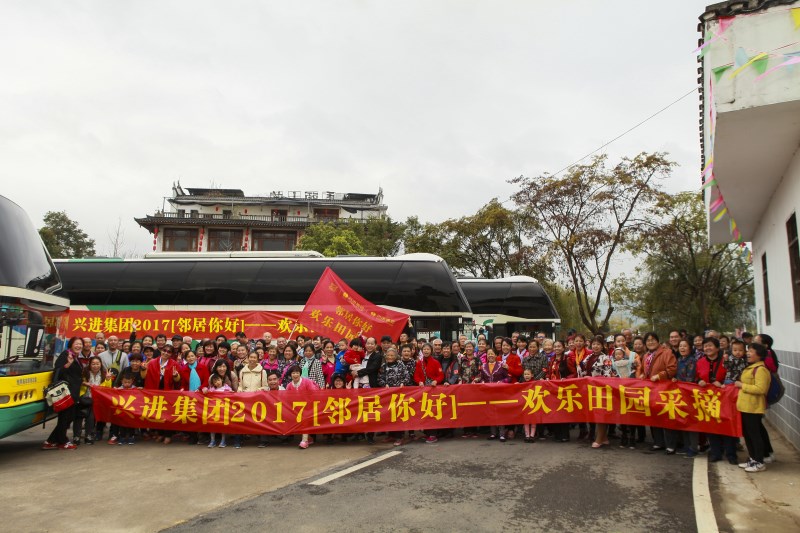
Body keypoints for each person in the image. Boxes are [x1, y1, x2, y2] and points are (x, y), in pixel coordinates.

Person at [637, 332, 677, 452]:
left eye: (653, 340)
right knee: (654, 415)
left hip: (665, 389)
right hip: (651, 390)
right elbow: (644, 370)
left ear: (658, 341)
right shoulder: (646, 355)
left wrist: (660, 376)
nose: (650, 342)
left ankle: (671, 445)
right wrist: (643, 375)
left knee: (666, 416)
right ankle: (658, 442)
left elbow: (672, 369)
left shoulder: (667, 352)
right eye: (648, 340)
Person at [735, 343, 771, 472]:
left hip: (753, 407)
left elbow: (761, 389)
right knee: (747, 434)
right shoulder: (751, 367)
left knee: (755, 435)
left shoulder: (761, 369)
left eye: (751, 351)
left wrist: (742, 385)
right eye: (748, 351)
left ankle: (759, 461)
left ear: (759, 354)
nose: (748, 353)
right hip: (745, 406)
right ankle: (752, 458)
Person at [43, 337, 84, 450]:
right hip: (66, 393)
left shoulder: (75, 357)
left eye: (80, 344)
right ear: (71, 344)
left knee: (68, 418)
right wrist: (68, 364)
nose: (79, 346)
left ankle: (51, 441)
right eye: (76, 344)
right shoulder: (65, 355)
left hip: (73, 392)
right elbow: (57, 372)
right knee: (64, 418)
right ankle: (62, 441)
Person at [143, 343, 182, 444]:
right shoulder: (152, 362)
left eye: (169, 352)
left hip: (168, 392)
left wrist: (175, 375)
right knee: (157, 414)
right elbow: (144, 376)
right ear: (161, 351)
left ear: (171, 354)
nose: (166, 353)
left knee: (168, 414)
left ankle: (168, 435)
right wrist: (143, 369)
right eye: (164, 350)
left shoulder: (174, 364)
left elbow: (178, 380)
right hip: (154, 391)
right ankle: (160, 433)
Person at [73, 355, 113, 445]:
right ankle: (76, 436)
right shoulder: (84, 372)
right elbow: (77, 381)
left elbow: (107, 389)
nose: (95, 366)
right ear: (90, 364)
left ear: (101, 364)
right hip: (82, 398)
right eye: (93, 364)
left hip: (95, 400)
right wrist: (84, 383)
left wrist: (107, 379)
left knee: (91, 418)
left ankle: (88, 436)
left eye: (97, 364)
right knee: (78, 417)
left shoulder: (104, 374)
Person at [671, 339, 699, 457]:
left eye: (685, 346)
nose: (682, 348)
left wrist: (678, 381)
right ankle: (686, 446)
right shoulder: (678, 360)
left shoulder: (692, 361)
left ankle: (693, 447)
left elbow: (690, 378)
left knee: (691, 421)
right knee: (683, 420)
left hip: (689, 394)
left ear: (690, 348)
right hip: (680, 393)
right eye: (680, 346)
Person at [378, 347, 409, 446]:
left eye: (392, 355)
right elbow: (380, 378)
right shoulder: (383, 366)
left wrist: (403, 383)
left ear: (396, 356)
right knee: (389, 415)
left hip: (399, 394)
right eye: (388, 355)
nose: (390, 357)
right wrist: (384, 384)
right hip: (388, 394)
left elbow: (407, 377)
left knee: (398, 415)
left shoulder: (401, 364)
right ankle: (391, 435)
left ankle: (399, 437)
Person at [414, 343, 444, 444]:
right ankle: (427, 433)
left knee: (432, 412)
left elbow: (441, 375)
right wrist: (419, 381)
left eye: (428, 349)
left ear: (431, 351)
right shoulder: (419, 363)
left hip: (433, 390)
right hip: (423, 391)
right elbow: (416, 375)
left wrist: (436, 381)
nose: (426, 351)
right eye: (424, 349)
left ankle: (433, 434)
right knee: (424, 411)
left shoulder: (435, 362)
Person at [477, 348, 510, 441]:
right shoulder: (483, 366)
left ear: (496, 355)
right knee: (490, 413)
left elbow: (508, 378)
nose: (490, 355)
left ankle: (502, 434)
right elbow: (481, 378)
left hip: (499, 393)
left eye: (492, 354)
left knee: (500, 413)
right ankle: (493, 433)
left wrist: (502, 382)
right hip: (488, 393)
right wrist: (482, 381)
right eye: (489, 354)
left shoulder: (501, 365)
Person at [284, 365, 320, 449]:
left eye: (297, 373)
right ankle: (308, 438)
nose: (295, 375)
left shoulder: (307, 382)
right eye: (293, 373)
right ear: (290, 374)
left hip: (309, 406)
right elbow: (287, 398)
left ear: (300, 373)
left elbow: (313, 394)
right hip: (296, 408)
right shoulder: (289, 385)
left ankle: (305, 440)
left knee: (304, 417)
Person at [207, 374, 233, 448]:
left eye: (218, 380)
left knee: (223, 426)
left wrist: (231, 393)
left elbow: (232, 395)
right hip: (214, 410)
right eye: (215, 382)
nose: (217, 382)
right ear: (213, 383)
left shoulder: (227, 388)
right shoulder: (212, 390)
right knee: (212, 426)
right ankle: (212, 440)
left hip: (223, 410)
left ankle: (223, 441)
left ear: (222, 379)